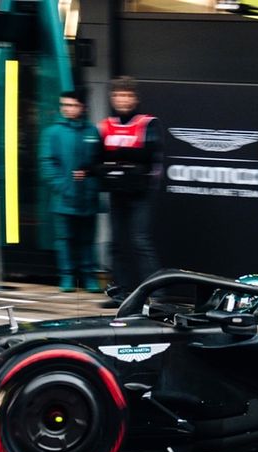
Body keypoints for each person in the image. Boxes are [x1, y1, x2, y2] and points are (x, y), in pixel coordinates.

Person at [96, 75, 162, 305]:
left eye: (127, 94)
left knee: (140, 241)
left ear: (135, 98)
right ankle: (121, 293)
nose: (123, 99)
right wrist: (125, 159)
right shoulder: (105, 125)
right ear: (112, 98)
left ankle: (157, 294)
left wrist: (117, 157)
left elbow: (149, 155)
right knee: (115, 243)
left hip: (141, 193)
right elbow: (97, 158)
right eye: (118, 95)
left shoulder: (148, 123)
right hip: (116, 192)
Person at [41, 90, 102, 292]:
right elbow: (47, 163)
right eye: (65, 105)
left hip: (88, 198)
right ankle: (66, 277)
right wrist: (62, 186)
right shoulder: (52, 133)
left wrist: (92, 185)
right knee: (64, 240)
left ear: (83, 107)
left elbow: (99, 162)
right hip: (63, 199)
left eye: (73, 105)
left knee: (87, 240)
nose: (68, 109)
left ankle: (89, 277)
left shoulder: (93, 131)